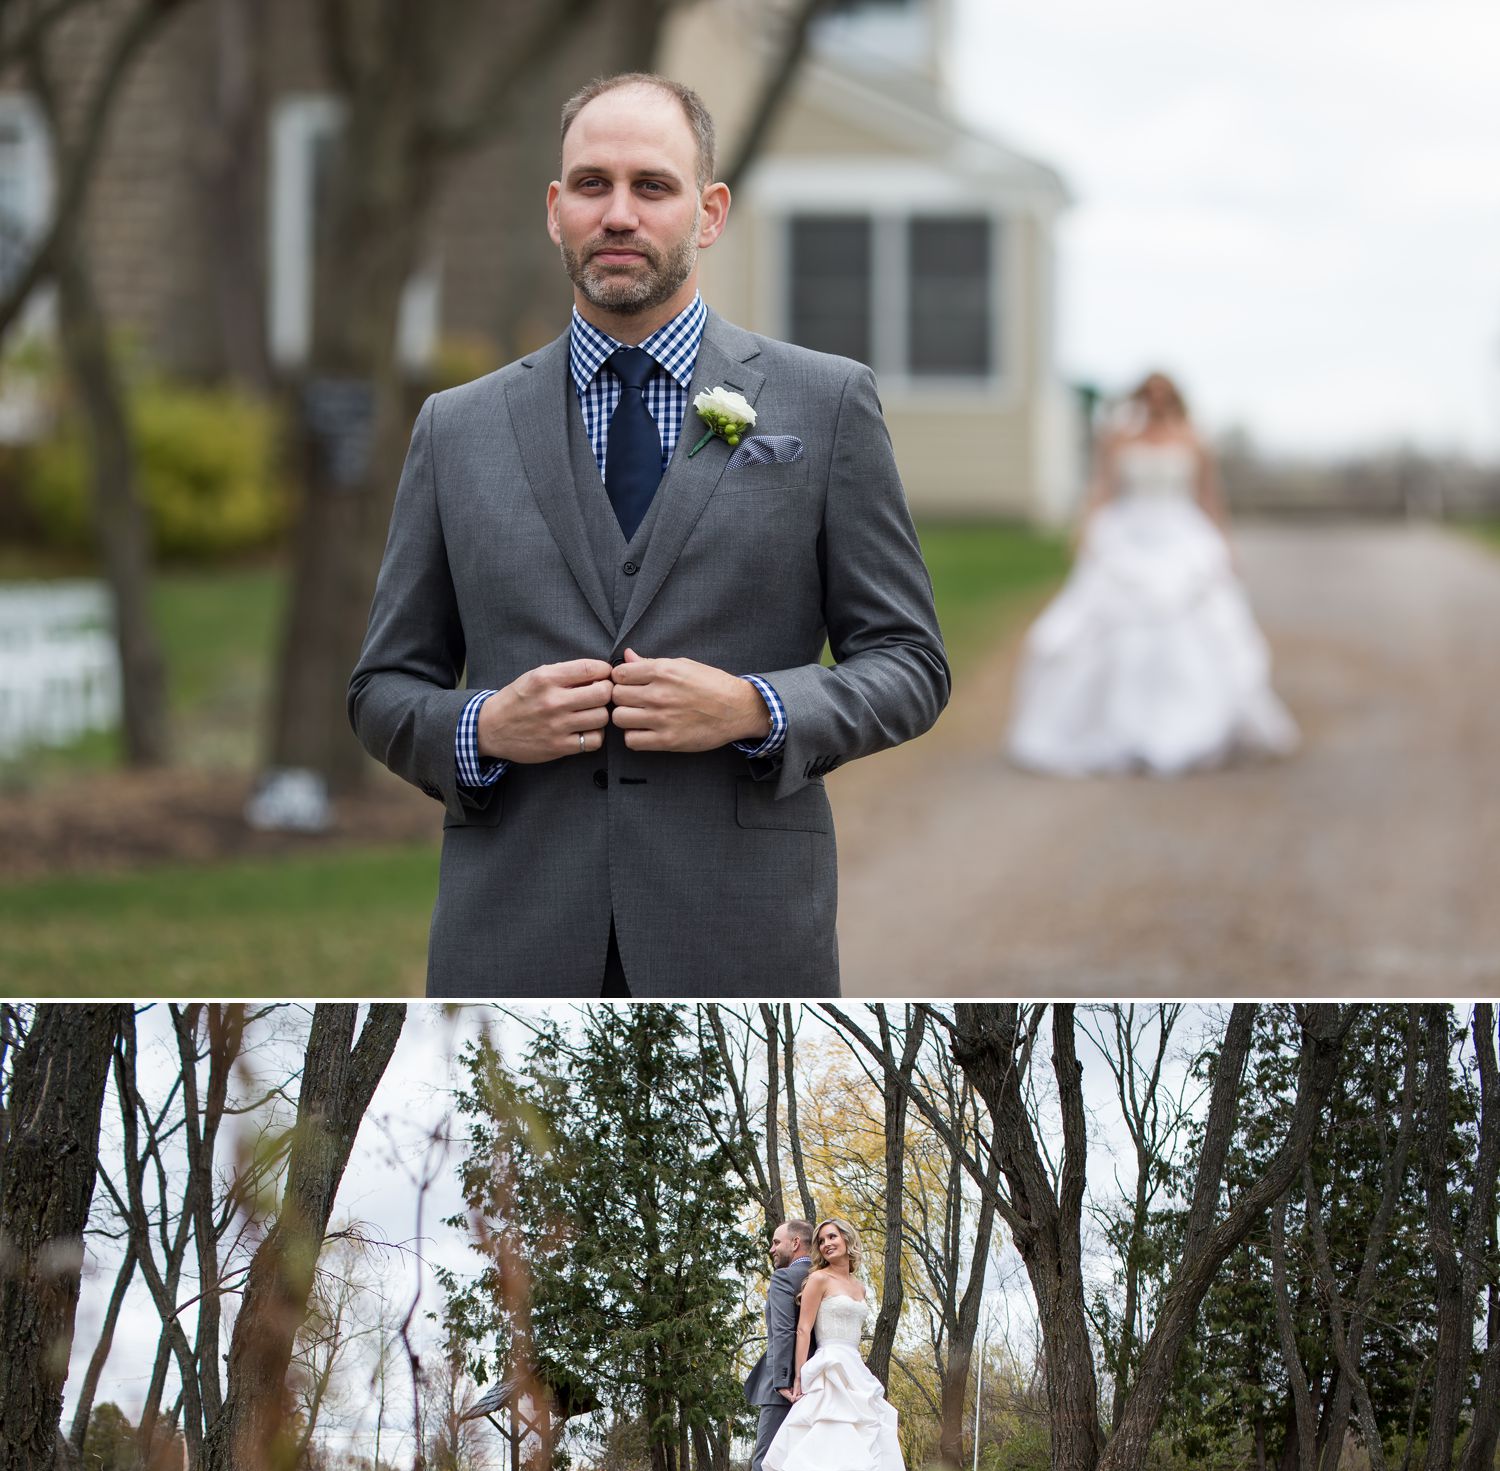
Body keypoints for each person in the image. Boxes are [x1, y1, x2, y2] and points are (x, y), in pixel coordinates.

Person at [348, 72, 949, 995]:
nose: (618, 214)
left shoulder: (824, 404)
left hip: (741, 936)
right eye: (591, 185)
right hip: (513, 936)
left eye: (652, 186)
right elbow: (383, 688)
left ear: (708, 213)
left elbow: (909, 661)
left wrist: (758, 708)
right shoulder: (455, 426)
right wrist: (484, 725)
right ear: (555, 211)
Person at [1007, 369, 1298, 775]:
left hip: (1181, 534)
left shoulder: (1195, 439)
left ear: (1175, 398)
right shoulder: (1119, 438)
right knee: (1102, 625)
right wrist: (1087, 531)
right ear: (1140, 397)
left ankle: (1194, 723)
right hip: (1130, 533)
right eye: (1150, 395)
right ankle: (1115, 728)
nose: (1156, 402)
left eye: (1164, 395)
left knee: (1200, 626)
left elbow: (1209, 497)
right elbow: (1103, 488)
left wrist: (1225, 545)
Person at [733, 1217, 926, 1471]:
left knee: (864, 1457)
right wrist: (796, 1379)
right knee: (820, 1457)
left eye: (833, 1237)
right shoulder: (817, 1279)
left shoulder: (860, 1287)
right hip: (826, 1369)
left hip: (854, 1371)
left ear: (848, 1240)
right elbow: (801, 1329)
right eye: (822, 1240)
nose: (826, 1244)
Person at [741, 1209, 815, 1471]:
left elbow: (784, 1331)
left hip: (784, 1387)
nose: (772, 1249)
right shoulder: (826, 1279)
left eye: (776, 1242)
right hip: (821, 1381)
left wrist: (783, 1380)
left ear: (795, 1243)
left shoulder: (786, 1278)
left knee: (766, 1462)